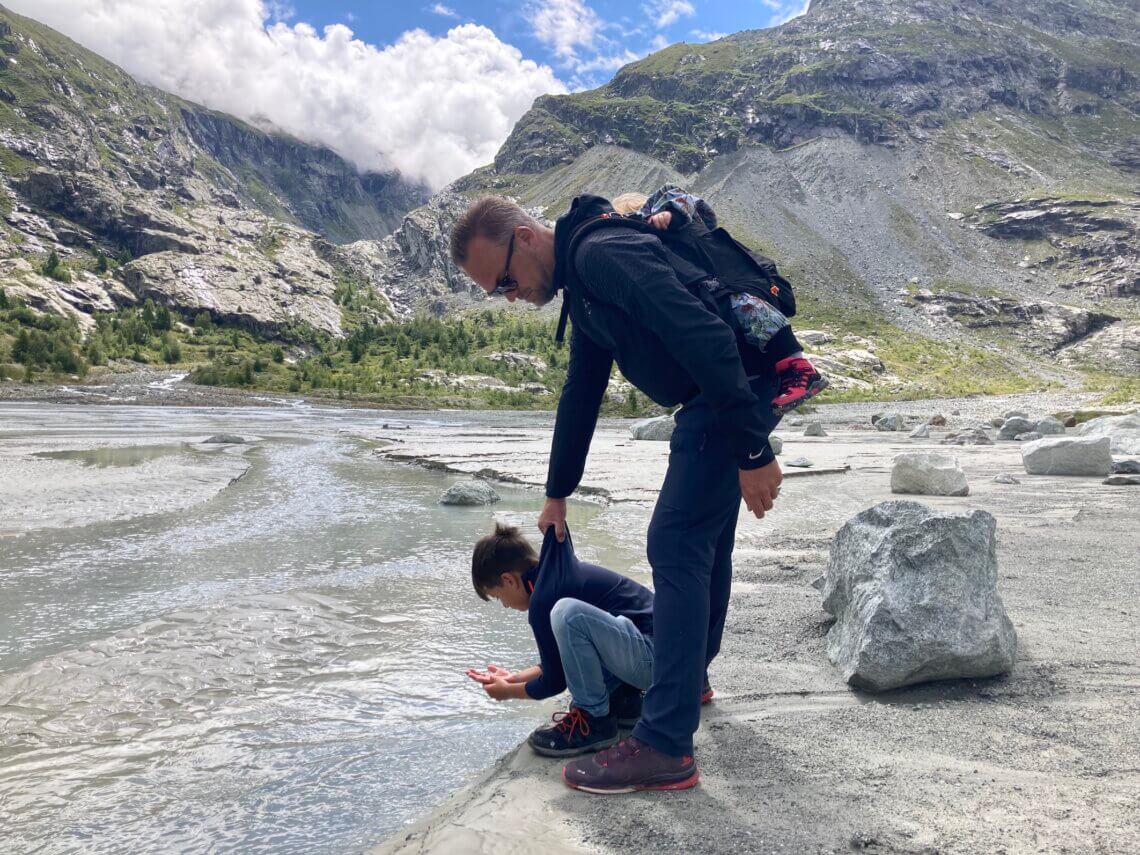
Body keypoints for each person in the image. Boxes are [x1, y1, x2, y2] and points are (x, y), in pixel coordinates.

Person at [450, 194, 784, 794]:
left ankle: (663, 744)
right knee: (704, 540)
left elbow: (703, 332)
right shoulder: (583, 289)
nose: (510, 295)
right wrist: (557, 493)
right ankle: (689, 680)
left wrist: (752, 449)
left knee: (676, 540)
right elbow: (581, 394)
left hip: (728, 389)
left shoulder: (602, 255)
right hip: (718, 396)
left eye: (504, 281)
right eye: (495, 292)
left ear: (524, 238)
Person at [610, 187, 827, 413]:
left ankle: (800, 369)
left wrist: (669, 214)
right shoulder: (661, 241)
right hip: (723, 294)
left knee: (752, 311)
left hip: (734, 289)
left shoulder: (670, 214)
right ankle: (785, 380)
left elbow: (690, 203)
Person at [464, 523, 656, 758]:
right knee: (573, 621)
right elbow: (566, 661)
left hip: (655, 661)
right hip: (663, 656)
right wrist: (514, 678)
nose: (505, 605)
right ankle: (624, 701)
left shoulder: (544, 600)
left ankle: (594, 721)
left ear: (509, 580)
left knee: (567, 613)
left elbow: (555, 682)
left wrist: (509, 692)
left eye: (498, 596)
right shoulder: (554, 576)